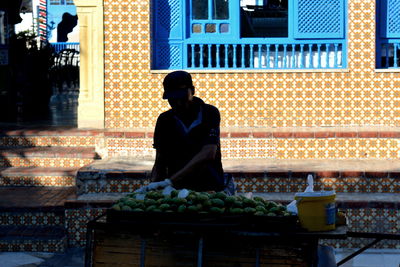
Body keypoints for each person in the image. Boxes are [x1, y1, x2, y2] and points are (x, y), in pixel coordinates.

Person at [144, 70, 232, 193]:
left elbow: (209, 152)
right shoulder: (164, 120)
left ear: (193, 91)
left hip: (209, 187)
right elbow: (160, 160)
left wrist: (170, 181)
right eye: (173, 99)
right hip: (177, 191)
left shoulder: (209, 113)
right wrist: (152, 186)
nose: (178, 103)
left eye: (182, 97)